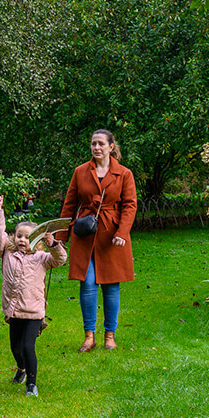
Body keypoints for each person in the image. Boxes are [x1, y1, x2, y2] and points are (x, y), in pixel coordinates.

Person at [59, 129, 138, 352]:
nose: (96, 147)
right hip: (85, 234)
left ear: (111, 147)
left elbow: (130, 205)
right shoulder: (80, 172)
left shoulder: (124, 173)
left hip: (112, 237)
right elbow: (70, 203)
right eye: (93, 143)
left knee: (112, 287)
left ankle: (110, 336)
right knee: (88, 284)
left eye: (101, 144)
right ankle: (89, 336)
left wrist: (122, 232)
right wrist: (61, 236)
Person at [0, 195, 68, 397]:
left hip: (33, 311)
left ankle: (31, 384)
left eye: (27, 237)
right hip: (14, 310)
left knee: (27, 346)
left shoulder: (42, 258)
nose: (22, 240)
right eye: (19, 236)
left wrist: (53, 244)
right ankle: (22, 369)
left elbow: (61, 259)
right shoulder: (7, 253)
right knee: (15, 348)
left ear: (36, 239)